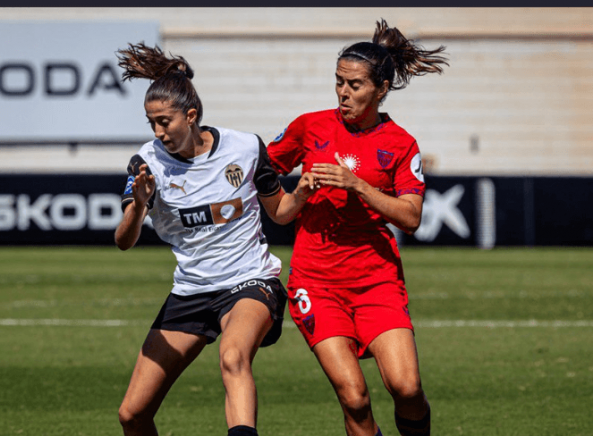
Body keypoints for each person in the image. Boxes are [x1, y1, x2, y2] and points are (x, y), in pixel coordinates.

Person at [113, 43, 315, 436]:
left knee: (233, 357)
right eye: (151, 122)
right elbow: (124, 240)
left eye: (165, 121)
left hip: (250, 282)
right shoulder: (146, 162)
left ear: (190, 116)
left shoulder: (245, 147)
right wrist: (138, 205)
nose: (158, 132)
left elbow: (279, 212)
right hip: (191, 291)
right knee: (132, 415)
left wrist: (302, 194)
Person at [266, 19, 449, 436]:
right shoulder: (309, 126)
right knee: (354, 397)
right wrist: (295, 194)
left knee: (406, 387)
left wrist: (358, 185)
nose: (343, 93)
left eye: (354, 85)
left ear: (381, 89)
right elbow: (264, 176)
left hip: (376, 280)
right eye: (338, 82)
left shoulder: (401, 143)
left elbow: (411, 216)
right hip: (317, 281)